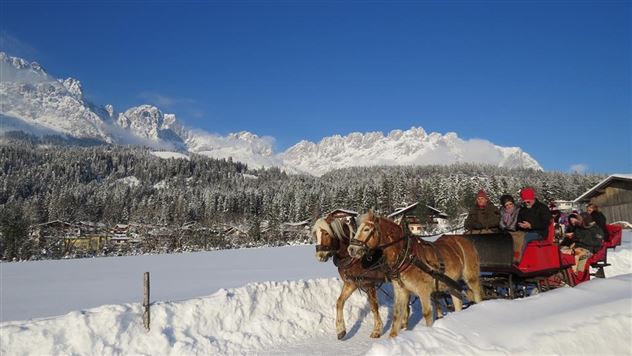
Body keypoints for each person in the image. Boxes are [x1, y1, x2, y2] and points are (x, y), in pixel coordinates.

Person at [515, 187, 552, 261]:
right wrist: (520, 225)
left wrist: (531, 226)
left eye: (528, 202)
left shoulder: (542, 208)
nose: (526, 204)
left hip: (539, 232)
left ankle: (517, 260)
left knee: (524, 238)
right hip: (524, 231)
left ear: (533, 199)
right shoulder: (523, 209)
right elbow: (518, 221)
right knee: (512, 237)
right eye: (524, 202)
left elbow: (545, 223)